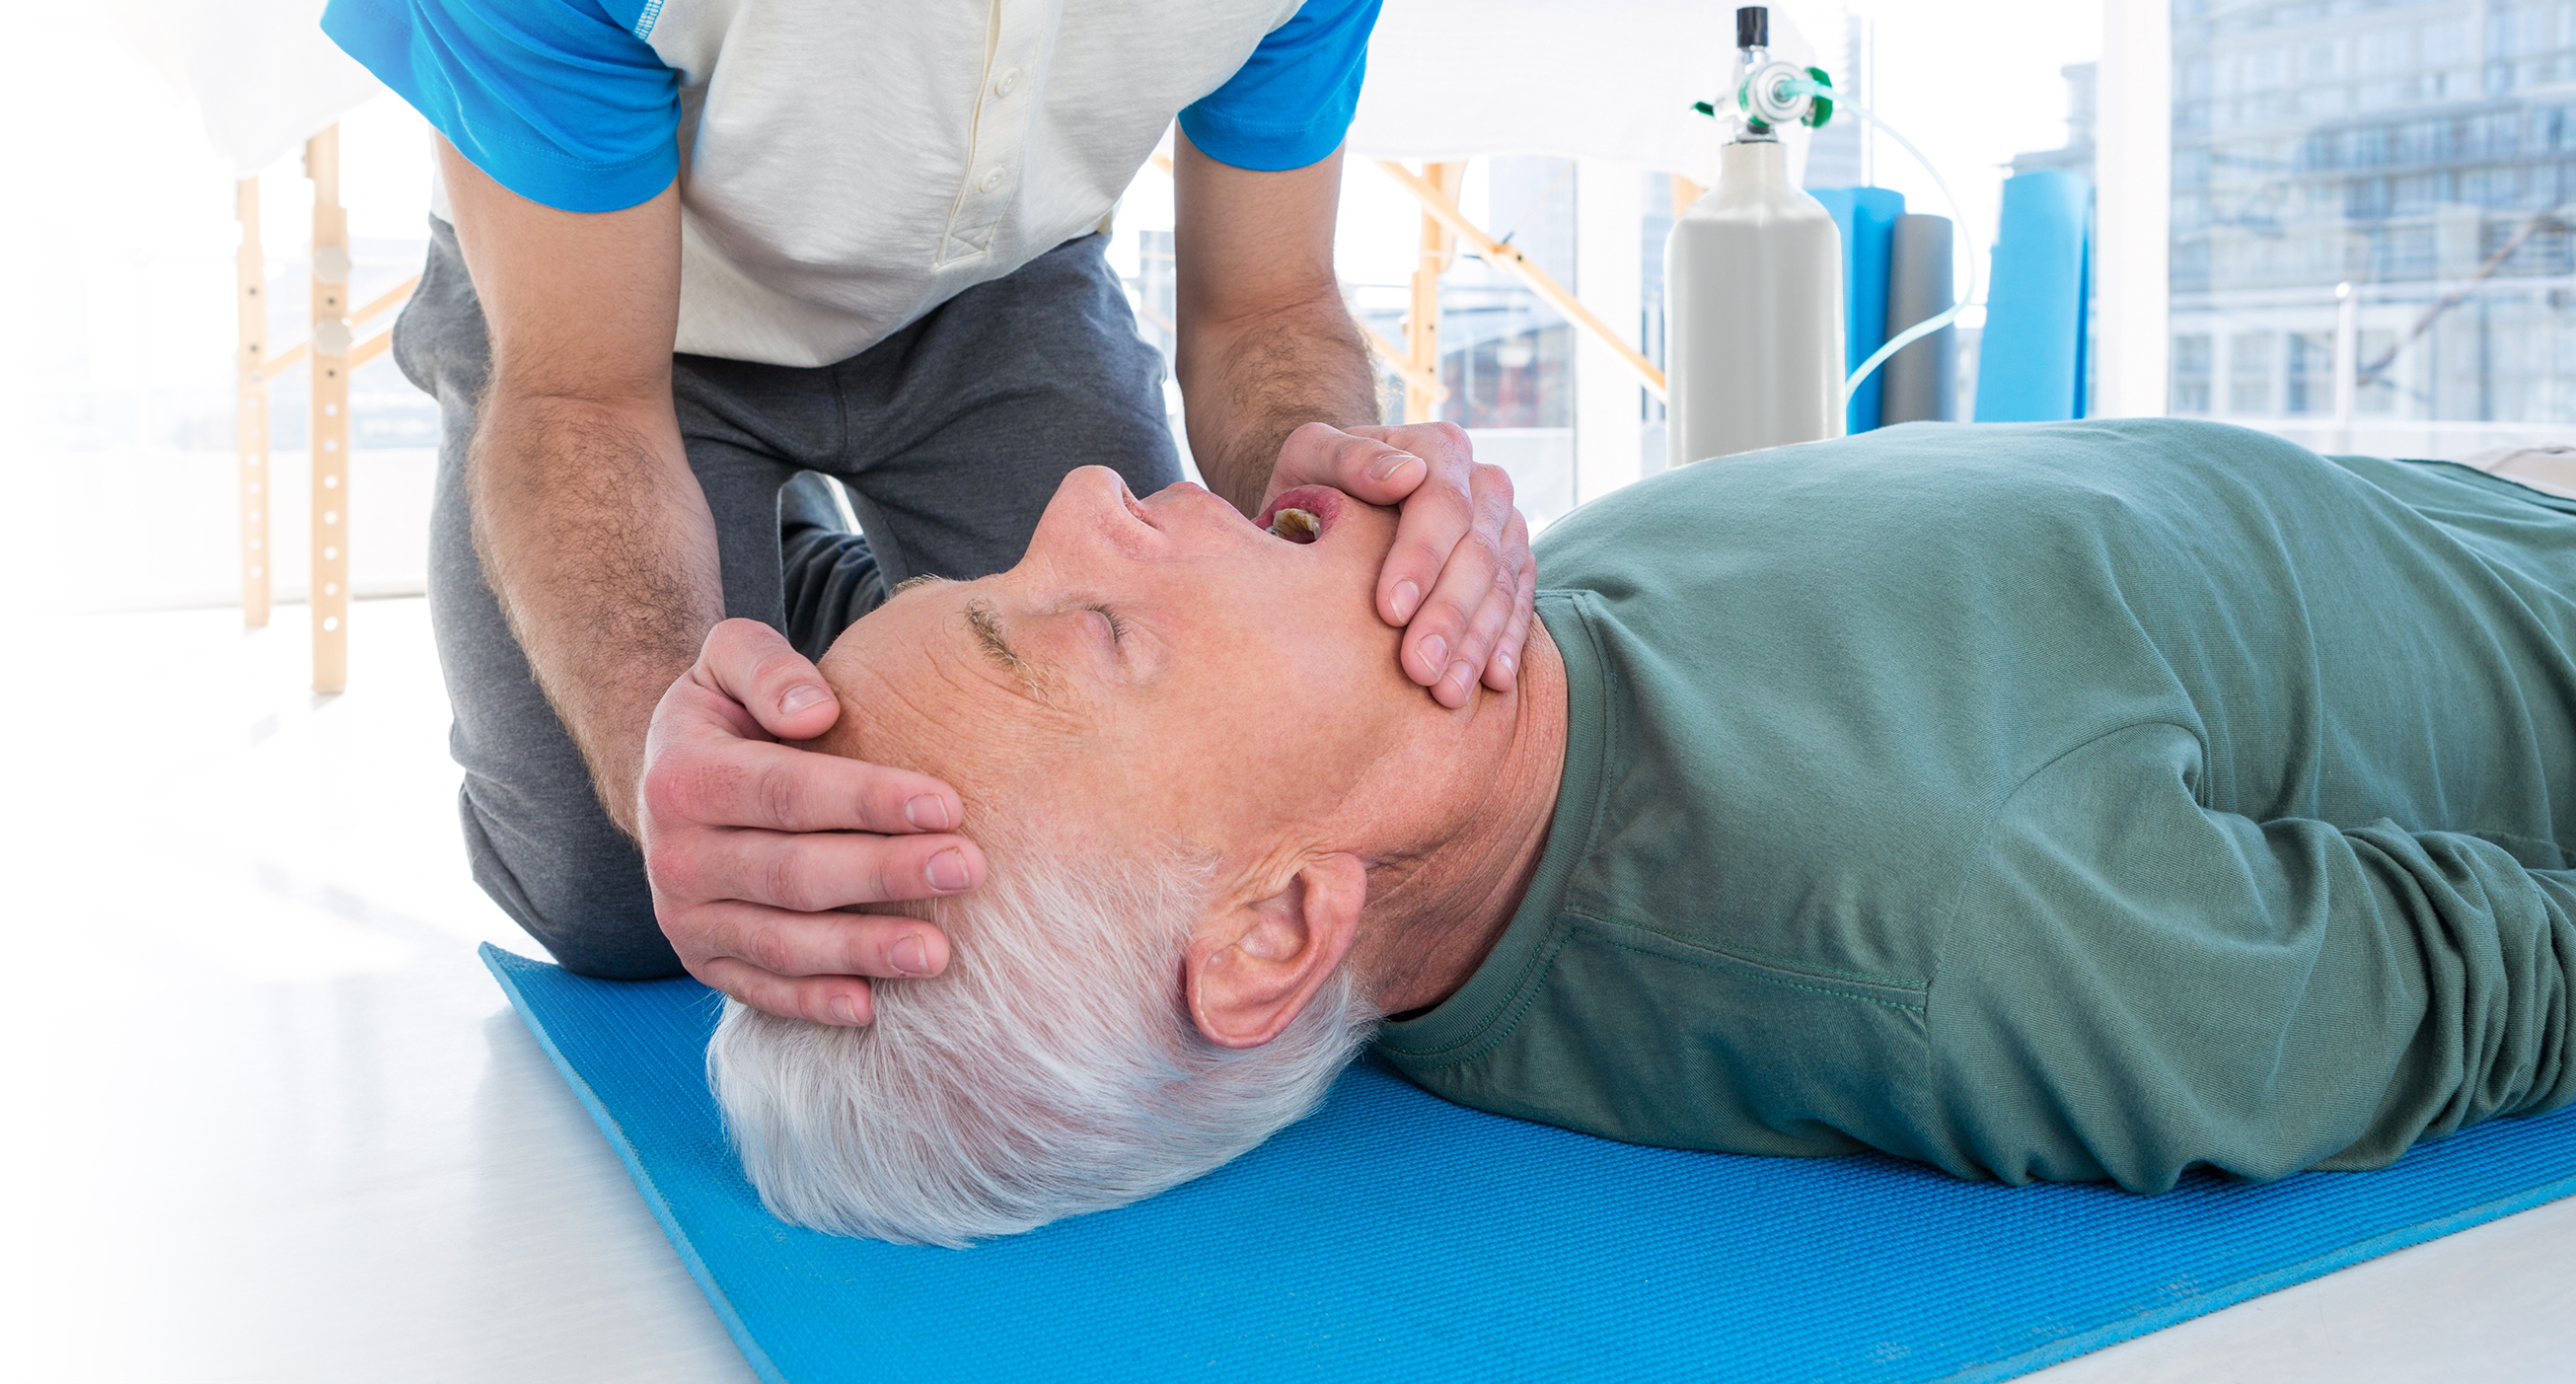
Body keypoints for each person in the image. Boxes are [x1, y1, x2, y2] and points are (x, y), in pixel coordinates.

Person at [331, 0, 1540, 1025]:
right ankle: (755, 571)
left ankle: (816, 590)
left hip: (997, 285)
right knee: (627, 899)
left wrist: (1334, 462)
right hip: (623, 316)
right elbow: (579, 391)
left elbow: (1264, 313)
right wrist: (642, 737)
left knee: (1132, 819)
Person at [706, 420, 2576, 1247]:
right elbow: (2490, 982)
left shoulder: (1463, 689)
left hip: (2447, 498)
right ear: (1276, 927)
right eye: (1086, 626)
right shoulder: (1948, 926)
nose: (1090, 491)